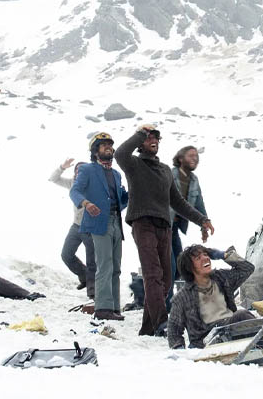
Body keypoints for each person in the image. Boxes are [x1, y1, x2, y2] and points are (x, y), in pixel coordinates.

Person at [115, 125, 214, 336]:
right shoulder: (134, 164)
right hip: (143, 224)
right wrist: (141, 133)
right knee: (153, 275)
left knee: (167, 279)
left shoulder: (164, 171)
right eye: (149, 138)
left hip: (164, 227)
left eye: (157, 139)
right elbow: (120, 153)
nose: (154, 141)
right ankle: (162, 322)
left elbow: (177, 201)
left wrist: (201, 220)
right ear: (141, 143)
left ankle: (148, 328)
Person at [71, 133, 130, 321]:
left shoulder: (116, 174)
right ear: (95, 151)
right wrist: (87, 204)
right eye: (103, 145)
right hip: (98, 223)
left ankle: (114, 307)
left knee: (116, 267)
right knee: (104, 264)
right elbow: (75, 191)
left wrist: (129, 196)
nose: (108, 148)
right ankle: (103, 308)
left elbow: (120, 201)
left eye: (110, 145)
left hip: (115, 222)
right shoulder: (88, 170)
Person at [167, 245, 255, 349]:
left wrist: (224, 255)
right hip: (205, 343)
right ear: (189, 267)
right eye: (198, 258)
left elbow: (247, 269)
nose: (205, 258)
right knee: (241, 315)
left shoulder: (221, 278)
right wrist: (179, 349)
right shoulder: (182, 297)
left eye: (206, 254)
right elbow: (174, 329)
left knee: (244, 316)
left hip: (230, 331)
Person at [166, 145, 208, 307]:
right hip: (164, 225)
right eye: (190, 156)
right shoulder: (170, 174)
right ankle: (167, 304)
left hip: (175, 227)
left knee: (179, 264)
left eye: (196, 156)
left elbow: (199, 203)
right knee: (169, 264)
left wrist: (204, 224)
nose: (194, 158)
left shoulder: (193, 180)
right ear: (180, 158)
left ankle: (178, 298)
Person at [50, 158, 96, 298]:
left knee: (92, 261)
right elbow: (54, 178)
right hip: (76, 226)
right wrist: (62, 167)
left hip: (90, 228)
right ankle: (84, 276)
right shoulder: (72, 183)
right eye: (76, 170)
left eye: (81, 170)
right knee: (66, 254)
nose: (78, 172)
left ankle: (93, 293)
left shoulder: (93, 185)